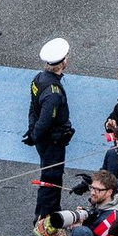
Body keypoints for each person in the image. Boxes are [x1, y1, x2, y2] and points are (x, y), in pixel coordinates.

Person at [25, 38, 74, 221]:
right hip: (52, 140)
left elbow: (33, 106)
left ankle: (49, 211)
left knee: (49, 175)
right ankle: (45, 217)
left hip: (42, 139)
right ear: (63, 62)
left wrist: (32, 131)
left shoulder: (38, 79)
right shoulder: (54, 91)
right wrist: (36, 134)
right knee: (51, 179)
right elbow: (46, 118)